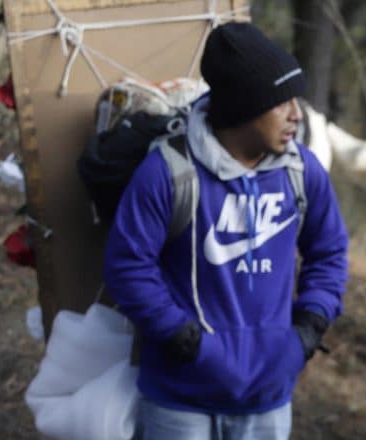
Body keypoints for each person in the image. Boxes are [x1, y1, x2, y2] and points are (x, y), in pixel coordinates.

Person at [103, 22, 350, 439]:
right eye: (281, 101)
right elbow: (128, 266)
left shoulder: (302, 171)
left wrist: (308, 328)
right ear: (243, 107)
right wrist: (182, 338)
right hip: (179, 398)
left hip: (269, 398)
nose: (296, 114)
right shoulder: (168, 173)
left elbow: (329, 252)